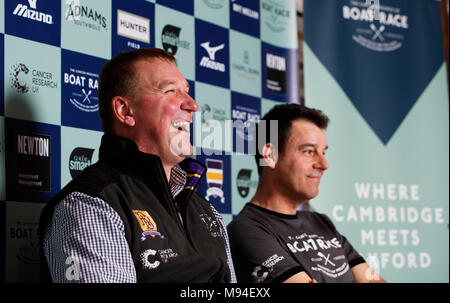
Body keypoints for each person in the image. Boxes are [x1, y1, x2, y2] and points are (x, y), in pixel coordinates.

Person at [39, 48, 236, 283]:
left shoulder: (206, 210)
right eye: (170, 91)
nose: (193, 105)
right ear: (125, 111)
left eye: (187, 92)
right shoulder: (89, 204)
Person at [227, 104, 385, 283]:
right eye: (309, 151)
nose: (324, 164)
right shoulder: (246, 231)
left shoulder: (322, 223)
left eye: (323, 152)